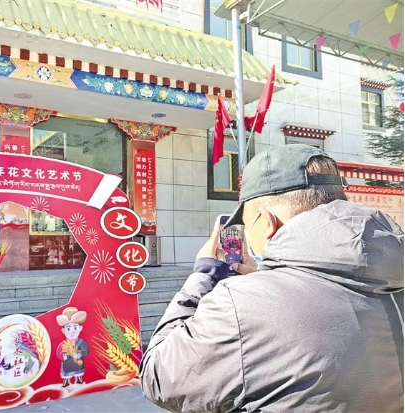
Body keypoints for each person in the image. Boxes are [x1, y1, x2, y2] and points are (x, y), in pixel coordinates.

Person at [140, 144, 404, 412]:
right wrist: (273, 276)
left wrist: (204, 273)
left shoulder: (241, 304)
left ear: (267, 222)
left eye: (246, 223)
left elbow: (159, 377)